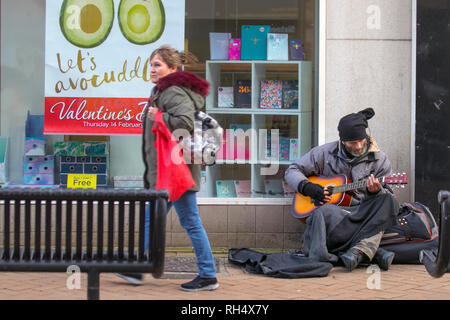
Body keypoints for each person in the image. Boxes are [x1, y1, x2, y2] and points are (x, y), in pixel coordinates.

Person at [116, 45, 219, 291]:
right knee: (156, 218)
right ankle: (140, 269)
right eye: (151, 64)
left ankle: (207, 274)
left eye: (158, 65)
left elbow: (185, 124)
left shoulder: (172, 92)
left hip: (176, 172)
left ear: (173, 69)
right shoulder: (161, 91)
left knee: (187, 221)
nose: (152, 69)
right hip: (171, 170)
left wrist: (158, 116)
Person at [284, 107, 399, 271]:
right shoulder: (324, 153)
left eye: (362, 140)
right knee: (320, 213)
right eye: (353, 143)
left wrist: (376, 191)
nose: (359, 146)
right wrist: (307, 187)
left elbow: (387, 195)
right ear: (342, 141)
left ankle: (360, 251)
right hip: (338, 214)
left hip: (364, 213)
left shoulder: (379, 158)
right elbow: (292, 170)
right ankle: (372, 251)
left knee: (389, 201)